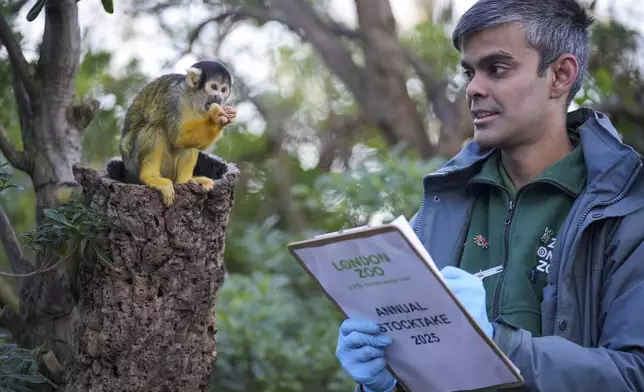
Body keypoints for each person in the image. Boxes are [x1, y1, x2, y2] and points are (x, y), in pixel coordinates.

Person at [334, 0, 644, 391]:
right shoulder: (439, 210)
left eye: (497, 68)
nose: (474, 89)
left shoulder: (628, 208)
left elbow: (634, 375)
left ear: (560, 75)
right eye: (470, 72)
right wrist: (383, 382)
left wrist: (500, 346)